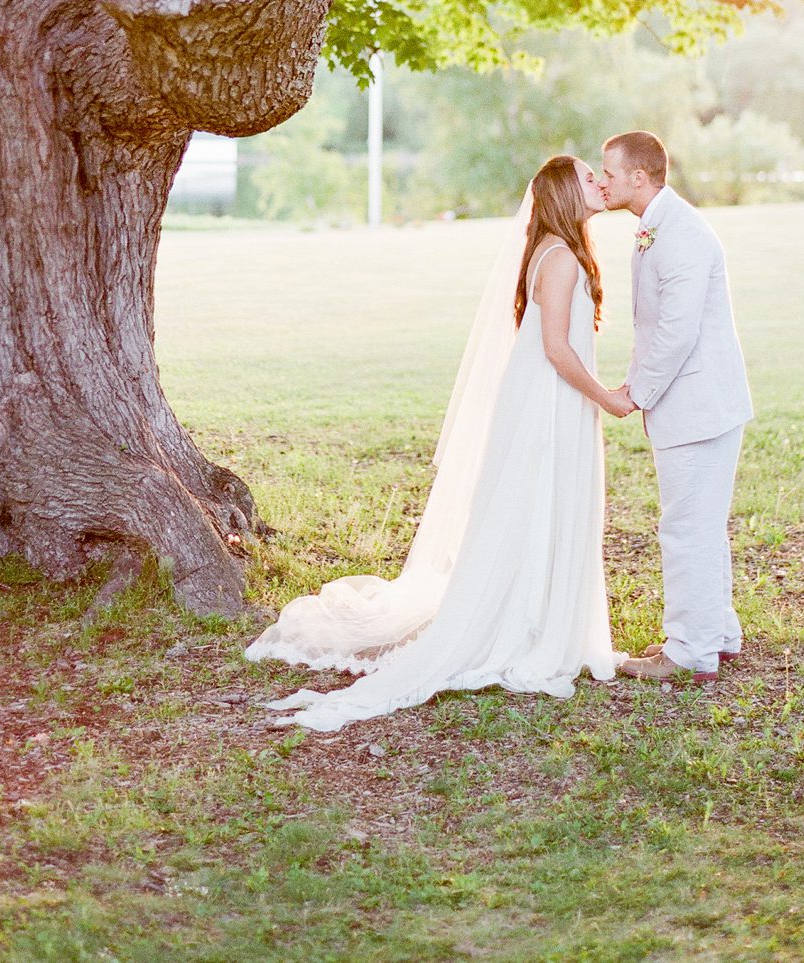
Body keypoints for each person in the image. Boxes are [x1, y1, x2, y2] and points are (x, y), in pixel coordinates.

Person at [245, 155, 635, 730]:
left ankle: (543, 619)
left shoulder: (559, 251)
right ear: (562, 195)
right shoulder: (559, 260)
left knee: (540, 507)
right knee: (535, 504)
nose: (600, 183)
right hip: (547, 407)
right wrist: (607, 398)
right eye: (588, 178)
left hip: (552, 403)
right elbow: (556, 349)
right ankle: (526, 625)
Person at [599, 130, 754, 686]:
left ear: (639, 178)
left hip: (698, 405)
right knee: (702, 525)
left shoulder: (681, 232)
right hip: (699, 401)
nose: (602, 181)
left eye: (609, 173)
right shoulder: (658, 224)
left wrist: (635, 392)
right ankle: (719, 634)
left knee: (686, 528)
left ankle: (688, 650)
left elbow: (676, 331)